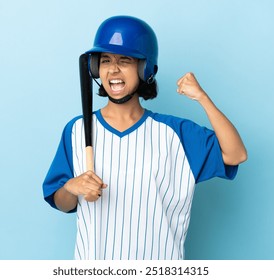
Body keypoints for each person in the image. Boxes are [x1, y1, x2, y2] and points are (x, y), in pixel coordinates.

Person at [42, 15, 247, 260]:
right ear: (95, 68)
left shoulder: (176, 133)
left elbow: (236, 154)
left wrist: (202, 98)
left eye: (124, 60)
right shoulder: (76, 130)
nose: (113, 69)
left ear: (145, 68)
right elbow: (61, 202)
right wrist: (71, 187)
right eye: (105, 60)